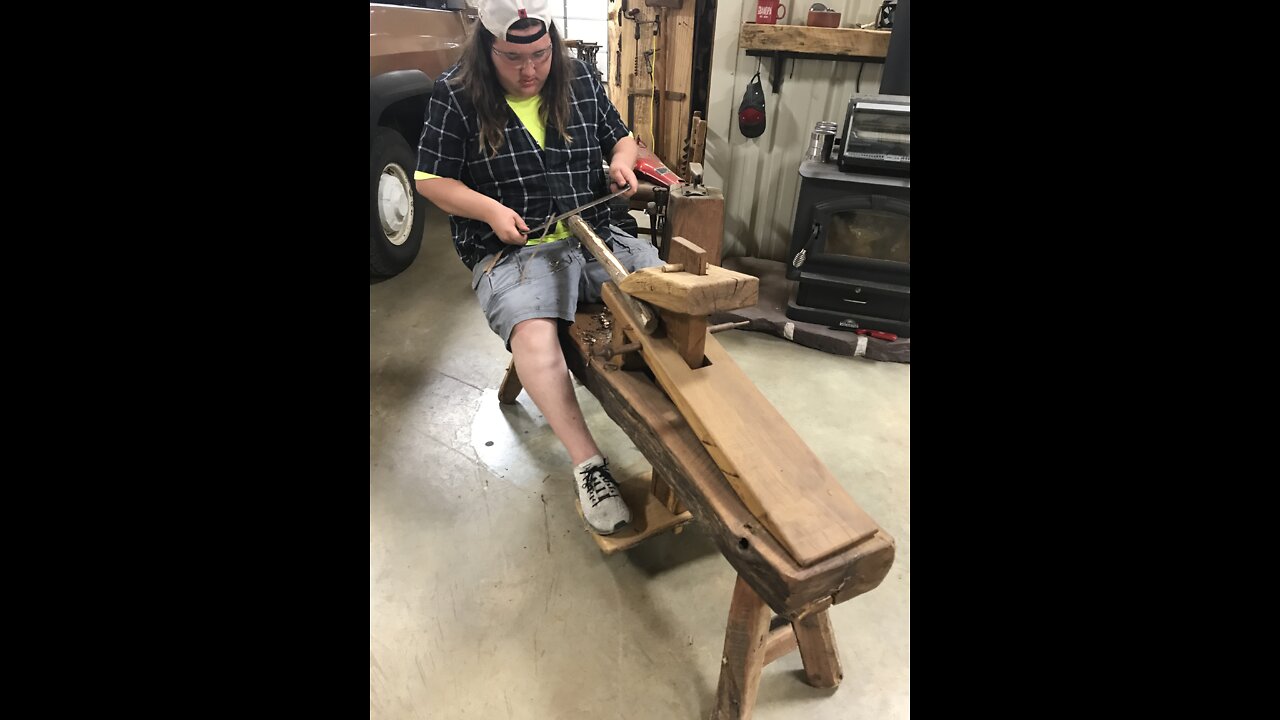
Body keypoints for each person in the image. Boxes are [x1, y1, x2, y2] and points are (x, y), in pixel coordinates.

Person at [415, 0, 662, 535]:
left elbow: (620, 137)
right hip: (513, 251)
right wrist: (490, 210)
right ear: (487, 46)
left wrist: (621, 160)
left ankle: (685, 425)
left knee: (668, 295)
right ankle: (589, 465)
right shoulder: (456, 94)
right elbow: (430, 180)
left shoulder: (580, 80)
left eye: (541, 54)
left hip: (593, 232)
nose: (531, 70)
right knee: (535, 336)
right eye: (514, 58)